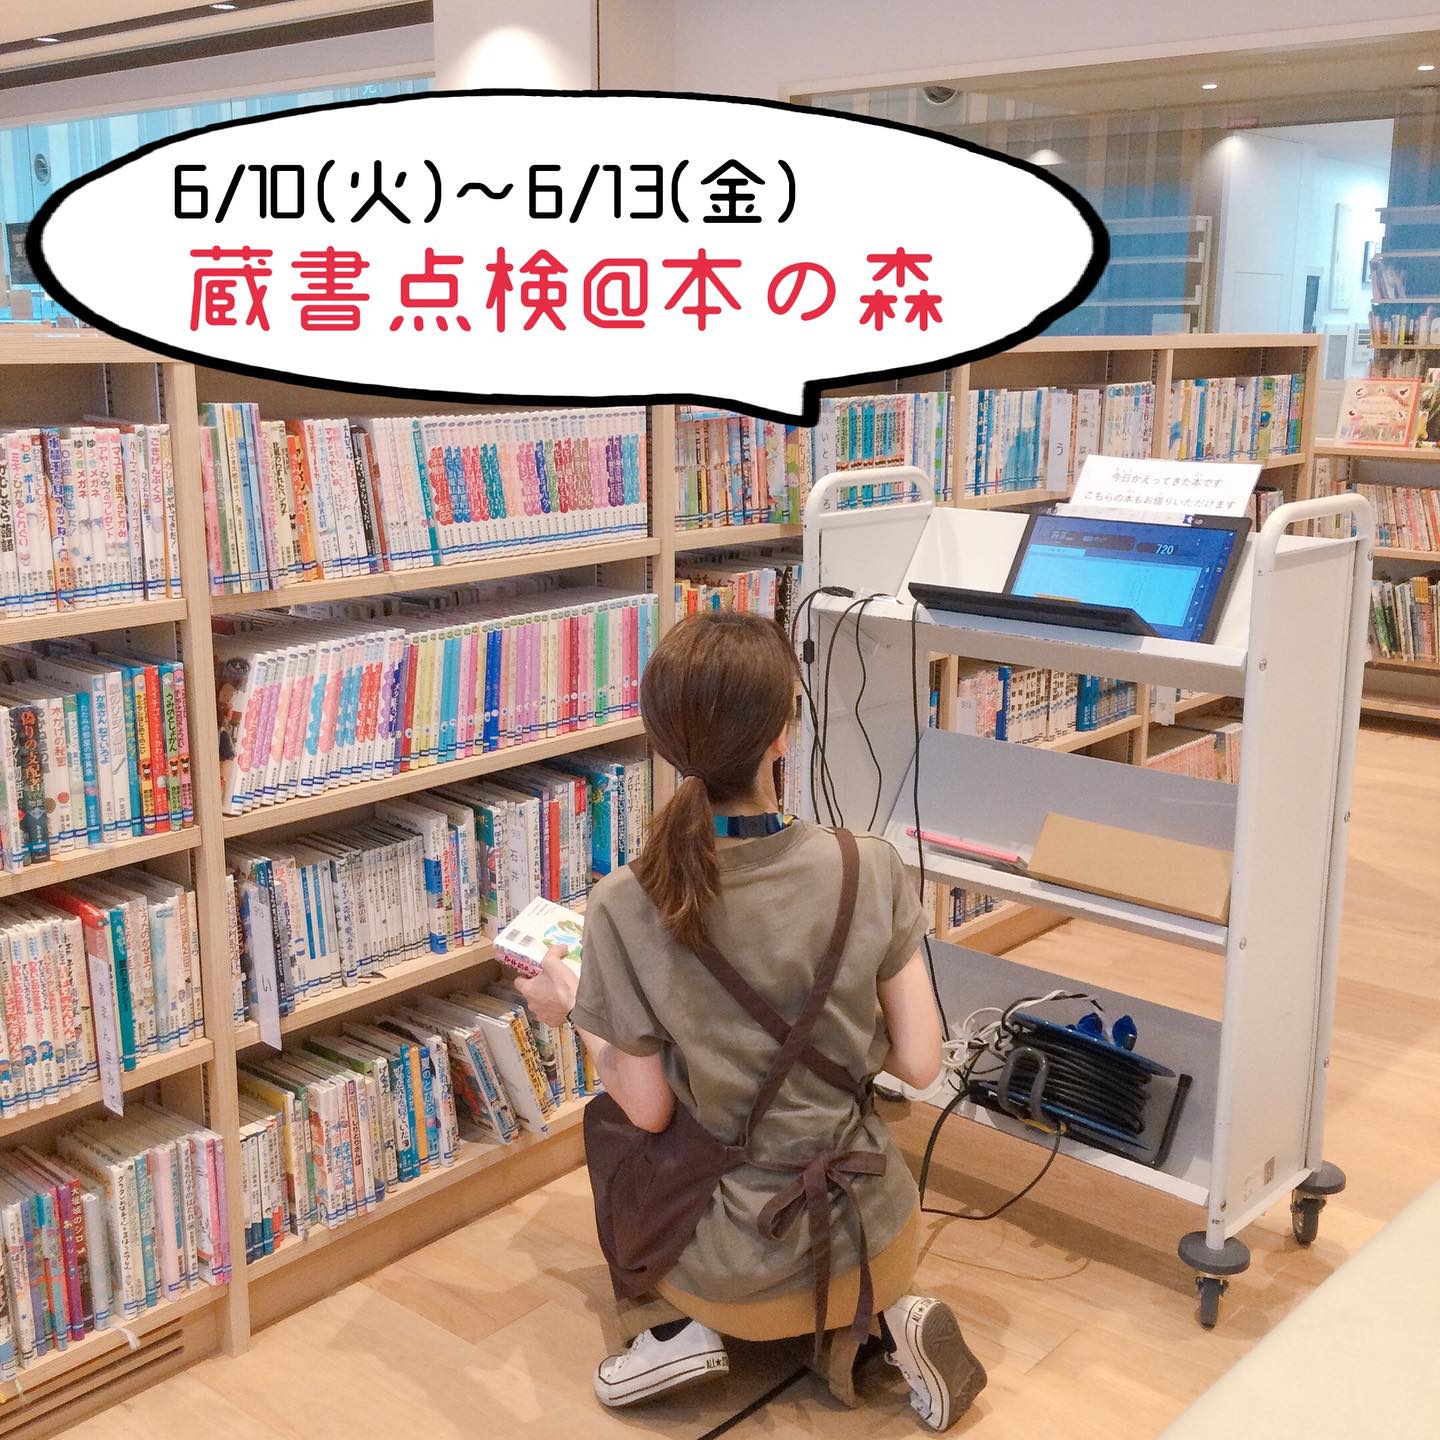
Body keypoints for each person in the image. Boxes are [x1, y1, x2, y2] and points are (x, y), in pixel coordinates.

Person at [515, 611, 986, 1431]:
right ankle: (881, 1327)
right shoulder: (867, 865)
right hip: (880, 1235)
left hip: (734, 1273)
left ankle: (675, 1329)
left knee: (616, 1127)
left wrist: (573, 1010)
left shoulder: (625, 903)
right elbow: (919, 1062)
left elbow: (647, 1109)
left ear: (666, 745)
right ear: (782, 734)